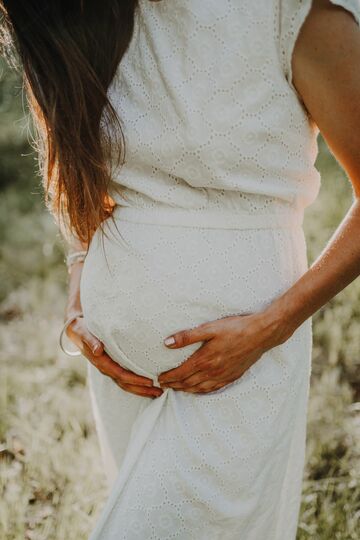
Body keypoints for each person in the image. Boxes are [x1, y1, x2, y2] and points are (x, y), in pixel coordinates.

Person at [2, 0, 360, 538]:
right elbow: (70, 151)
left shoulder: (295, 13)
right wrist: (79, 285)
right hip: (119, 377)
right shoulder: (88, 14)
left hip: (239, 366)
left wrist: (273, 327)